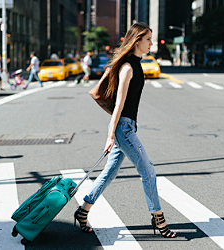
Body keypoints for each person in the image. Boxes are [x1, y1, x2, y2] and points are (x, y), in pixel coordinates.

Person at [74, 22, 177, 238]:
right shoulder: (128, 67)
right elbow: (119, 104)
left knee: (109, 173)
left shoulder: (136, 64)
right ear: (137, 40)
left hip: (128, 127)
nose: (151, 43)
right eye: (148, 39)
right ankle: (158, 218)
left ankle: (83, 211)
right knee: (148, 170)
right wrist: (111, 135)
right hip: (124, 129)